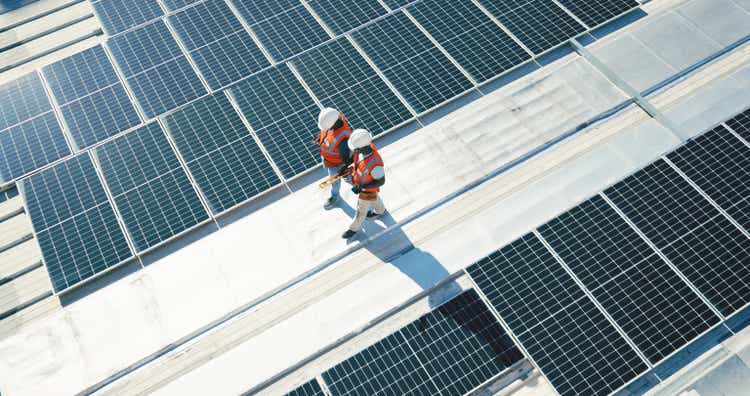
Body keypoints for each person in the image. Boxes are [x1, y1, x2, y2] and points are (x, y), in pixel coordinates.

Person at [342, 129, 386, 239]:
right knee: (375, 198)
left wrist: (361, 187)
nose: (354, 150)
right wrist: (345, 165)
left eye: (356, 149)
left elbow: (381, 181)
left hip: (366, 190)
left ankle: (353, 229)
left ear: (362, 148)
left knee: (360, 212)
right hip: (365, 187)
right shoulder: (363, 149)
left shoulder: (375, 163)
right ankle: (381, 211)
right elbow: (355, 156)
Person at [317, 108, 352, 209]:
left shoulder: (343, 139)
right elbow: (327, 133)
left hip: (336, 165)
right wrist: (321, 138)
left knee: (335, 182)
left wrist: (343, 169)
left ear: (333, 124)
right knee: (330, 176)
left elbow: (347, 158)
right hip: (326, 160)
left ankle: (335, 197)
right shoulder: (332, 117)